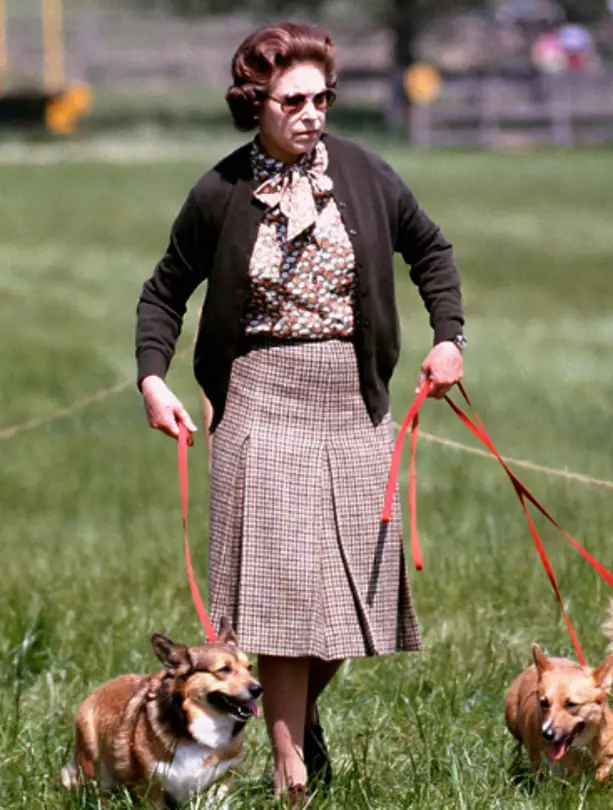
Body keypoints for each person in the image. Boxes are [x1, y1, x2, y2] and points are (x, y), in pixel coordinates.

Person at [133, 21, 466, 803]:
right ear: (257, 103)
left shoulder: (366, 174)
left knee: (349, 604)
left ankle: (295, 718)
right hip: (259, 400)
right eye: (293, 100)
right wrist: (154, 380)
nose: (312, 112)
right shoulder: (218, 193)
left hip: (353, 399)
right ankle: (292, 776)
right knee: (283, 599)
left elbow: (432, 252)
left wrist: (449, 338)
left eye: (322, 98)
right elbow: (163, 294)